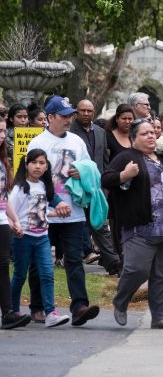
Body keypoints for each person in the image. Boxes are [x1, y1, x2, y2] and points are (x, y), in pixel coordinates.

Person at [28, 97, 101, 327]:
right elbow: (31, 177)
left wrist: (82, 173)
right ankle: (37, 306)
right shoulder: (37, 143)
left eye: (70, 115)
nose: (69, 119)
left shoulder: (77, 142)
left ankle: (80, 306)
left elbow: (91, 167)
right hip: (44, 211)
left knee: (74, 260)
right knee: (38, 261)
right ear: (50, 118)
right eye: (64, 116)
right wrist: (53, 203)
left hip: (73, 212)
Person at [102, 119, 163, 329]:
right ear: (133, 139)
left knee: (162, 276)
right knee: (137, 270)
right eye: (144, 133)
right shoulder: (126, 157)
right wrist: (124, 175)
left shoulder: (161, 159)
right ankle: (121, 300)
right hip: (140, 227)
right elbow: (106, 179)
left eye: (153, 133)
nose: (151, 136)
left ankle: (159, 316)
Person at [10, 149, 71, 328]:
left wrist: (56, 213)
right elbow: (10, 211)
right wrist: (15, 226)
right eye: (34, 162)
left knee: (47, 274)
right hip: (23, 238)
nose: (37, 166)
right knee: (20, 275)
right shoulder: (20, 188)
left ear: (46, 167)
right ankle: (13, 311)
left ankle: (50, 313)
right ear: (26, 165)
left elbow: (40, 213)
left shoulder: (45, 186)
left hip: (42, 237)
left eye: (42, 163)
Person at [70, 99, 121, 276]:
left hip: (96, 187)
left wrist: (105, 187)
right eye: (82, 110)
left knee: (100, 225)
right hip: (74, 187)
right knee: (73, 226)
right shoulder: (70, 132)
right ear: (76, 112)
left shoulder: (100, 132)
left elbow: (104, 162)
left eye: (89, 111)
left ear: (93, 112)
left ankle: (113, 263)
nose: (86, 114)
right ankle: (66, 257)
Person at [0, 117, 29, 329]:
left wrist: (14, 219)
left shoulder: (3, 161)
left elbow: (3, 196)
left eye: (3, 131)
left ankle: (8, 313)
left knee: (3, 264)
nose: (2, 136)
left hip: (1, 217)